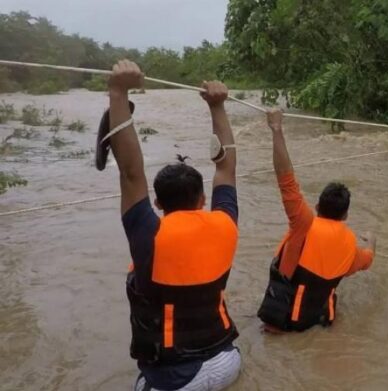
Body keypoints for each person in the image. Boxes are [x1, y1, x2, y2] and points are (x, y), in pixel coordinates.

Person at [99, 60, 242, 391]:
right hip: (227, 361)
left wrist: (118, 92)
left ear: (158, 204)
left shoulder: (149, 235)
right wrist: (218, 107)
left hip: (174, 380)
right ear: (203, 199)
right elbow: (226, 169)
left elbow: (131, 173)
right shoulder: (225, 224)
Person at [257, 109, 377, 333]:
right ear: (345, 216)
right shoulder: (350, 245)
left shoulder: (303, 223)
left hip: (278, 326)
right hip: (318, 325)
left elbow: (286, 179)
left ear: (317, 207)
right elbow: (367, 260)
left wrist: (276, 130)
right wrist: (371, 240)